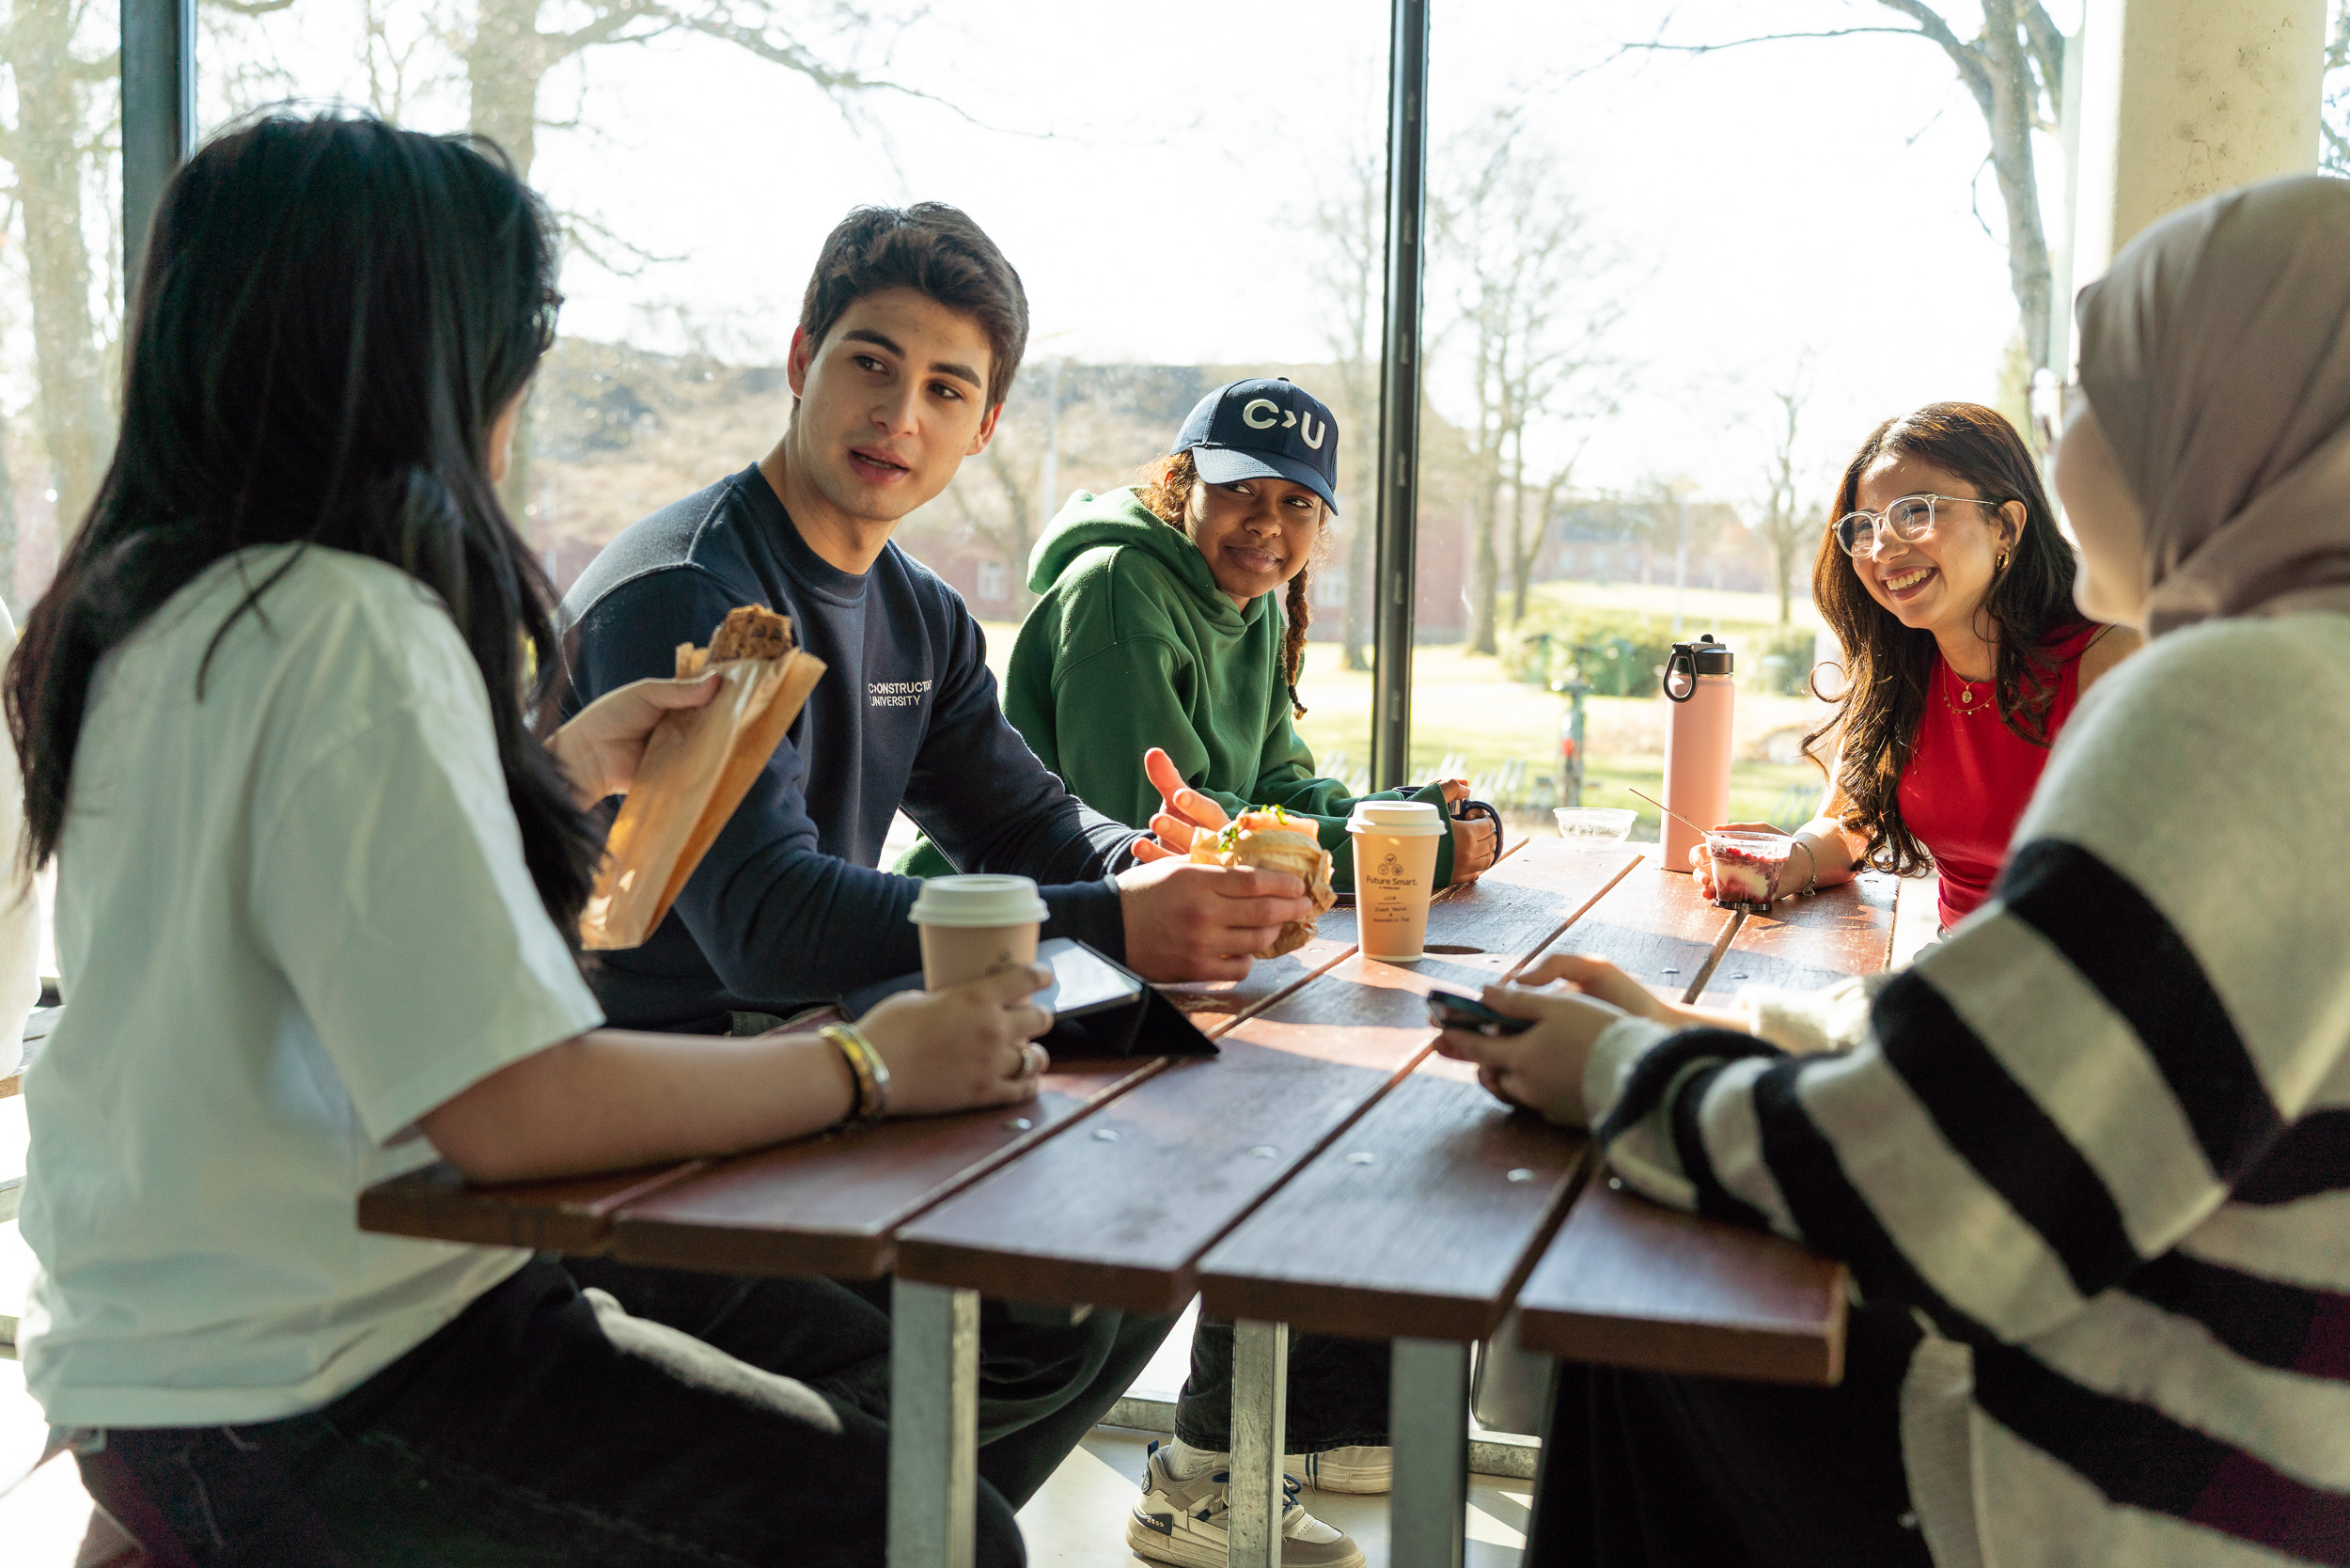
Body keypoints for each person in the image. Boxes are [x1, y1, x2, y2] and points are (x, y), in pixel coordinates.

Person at [11, 114, 1076, 1567]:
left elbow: (306, 924)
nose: (515, 387)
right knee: (949, 1536)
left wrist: (553, 773)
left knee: (872, 1415)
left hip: (161, 1342)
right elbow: (506, 1108)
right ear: (407, 355)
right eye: (508, 340)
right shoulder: (350, 622)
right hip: (321, 1365)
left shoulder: (162, 603)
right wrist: (872, 1065)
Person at [1437, 175, 2350, 1567]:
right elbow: (2073, 1099)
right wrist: (1698, 1039)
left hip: (2145, 1478)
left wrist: (1621, 1074)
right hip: (2275, 1448)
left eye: (2094, 394)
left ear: (2219, 416)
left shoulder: (2238, 699)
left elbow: (1954, 1197)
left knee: (1649, 1287)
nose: (2063, 444)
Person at [559, 208, 1318, 1037]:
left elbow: (1020, 823)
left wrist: (1149, 862)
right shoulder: (694, 595)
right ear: (803, 360)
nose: (901, 416)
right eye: (872, 364)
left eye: (946, 389)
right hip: (637, 1080)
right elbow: (765, 925)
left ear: (984, 425)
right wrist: (1115, 921)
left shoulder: (920, 614)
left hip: (816, 1047)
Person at [903, 376, 1500, 899]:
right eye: (1239, 487)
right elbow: (1157, 827)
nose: (1266, 521)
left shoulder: (1254, 600)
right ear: (1177, 481)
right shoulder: (1118, 589)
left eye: (1296, 502)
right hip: (988, 925)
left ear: (1320, 523)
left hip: (1120, 919)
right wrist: (1392, 858)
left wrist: (1392, 818)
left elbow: (1276, 788)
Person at [1697, 403, 2137, 932]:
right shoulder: (1899, 672)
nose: (1883, 547)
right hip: (1954, 972)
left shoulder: (2108, 662)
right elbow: (1846, 824)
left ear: (2005, 526)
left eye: (1916, 512)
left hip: (2092, 985)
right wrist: (1793, 860)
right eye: (1864, 526)